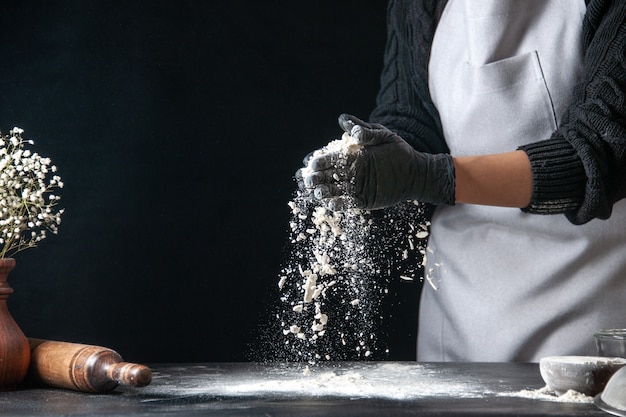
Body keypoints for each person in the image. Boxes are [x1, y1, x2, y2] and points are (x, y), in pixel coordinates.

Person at [299, 0, 626, 362]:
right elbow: (413, 115)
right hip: (455, 315)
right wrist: (375, 159)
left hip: (585, 313)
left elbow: (599, 153)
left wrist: (432, 176)